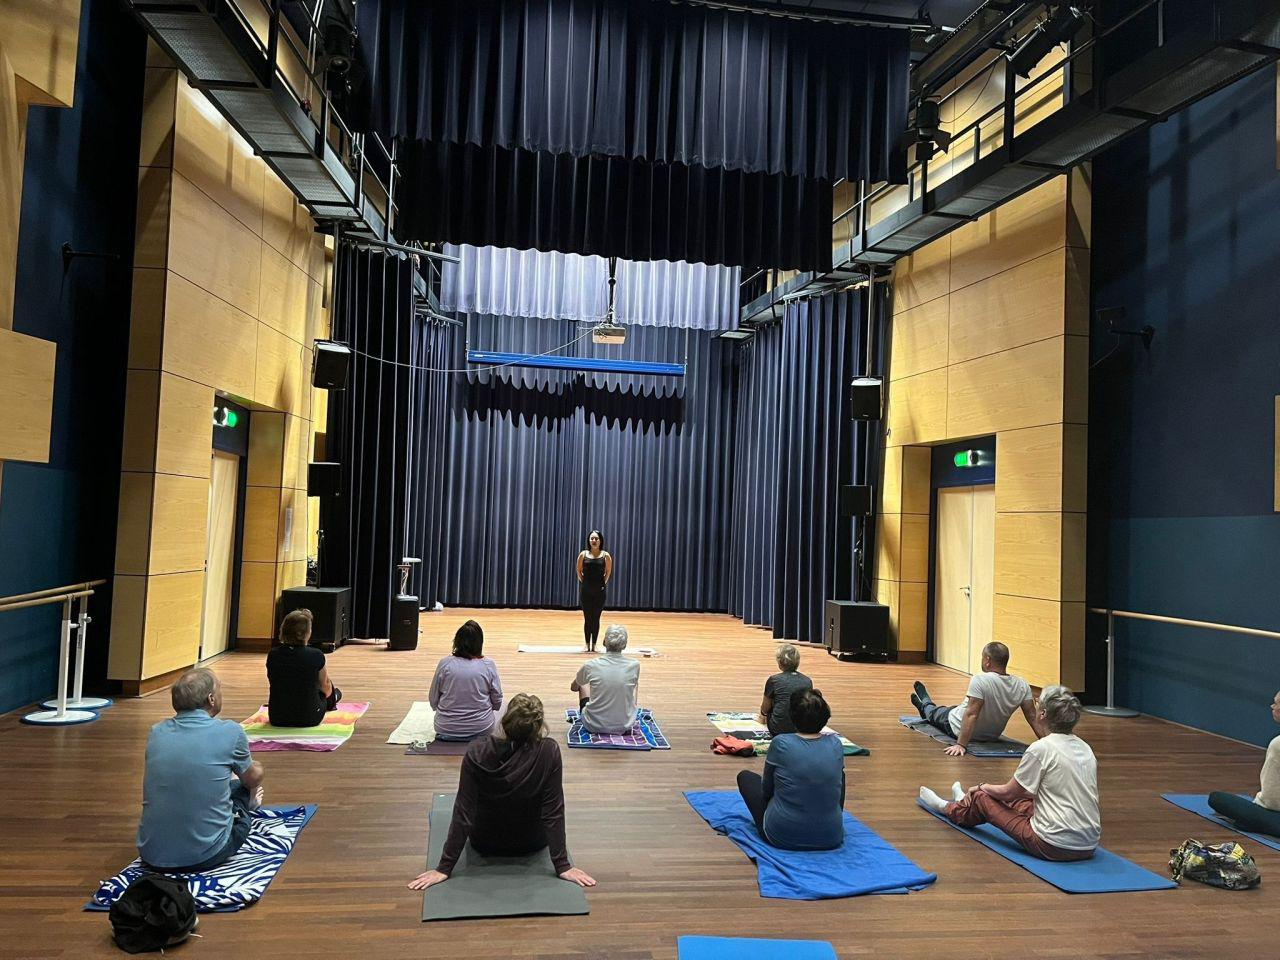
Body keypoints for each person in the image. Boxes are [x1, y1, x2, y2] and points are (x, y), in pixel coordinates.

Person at [407, 694, 596, 891]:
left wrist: (444, 867)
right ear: (538, 727)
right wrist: (562, 865)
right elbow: (553, 812)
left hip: (484, 842)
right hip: (532, 842)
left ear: (504, 723)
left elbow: (464, 811)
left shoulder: (477, 751)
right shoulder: (549, 751)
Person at [919, 684, 1099, 862]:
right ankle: (964, 802)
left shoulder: (1041, 748)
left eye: (1037, 703)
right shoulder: (1085, 748)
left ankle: (947, 808)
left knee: (982, 797)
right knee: (1021, 801)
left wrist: (980, 787)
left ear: (1043, 714)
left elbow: (1008, 792)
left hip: (1051, 846)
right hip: (1089, 845)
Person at [137, 668, 265, 872]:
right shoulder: (230, 731)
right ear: (211, 699)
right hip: (206, 854)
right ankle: (245, 809)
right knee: (240, 787)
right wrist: (257, 767)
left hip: (151, 854)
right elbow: (252, 779)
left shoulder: (156, 731)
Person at [735, 688, 845, 851]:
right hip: (831, 836)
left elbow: (766, 790)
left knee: (745, 777)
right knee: (840, 775)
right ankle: (827, 818)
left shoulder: (781, 743)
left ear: (792, 716)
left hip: (781, 835)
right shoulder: (836, 744)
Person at [910, 641, 1046, 755]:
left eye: (982, 657)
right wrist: (1049, 743)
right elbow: (1033, 717)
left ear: (987, 660)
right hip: (990, 736)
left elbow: (971, 714)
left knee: (934, 713)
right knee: (953, 708)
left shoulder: (980, 679)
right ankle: (926, 705)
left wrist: (961, 745)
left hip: (954, 725)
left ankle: (925, 703)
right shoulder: (1022, 684)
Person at [1207, 689, 1280, 836]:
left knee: (1216, 798)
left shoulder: (1277, 744)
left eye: (1276, 704)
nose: (1272, 706)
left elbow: (1272, 801)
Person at [429, 620, 503, 741]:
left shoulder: (445, 663)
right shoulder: (488, 665)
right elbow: (497, 700)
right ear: (480, 643)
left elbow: (433, 699)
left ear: (457, 641)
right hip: (482, 728)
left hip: (445, 728)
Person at [266, 609, 341, 727]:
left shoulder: (273, 654)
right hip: (309, 717)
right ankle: (335, 699)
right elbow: (325, 687)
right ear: (307, 633)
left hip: (278, 717)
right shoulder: (316, 655)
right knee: (331, 689)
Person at [570, 623, 639, 734]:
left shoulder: (590, 665)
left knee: (584, 683)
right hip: (624, 725)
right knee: (634, 683)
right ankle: (627, 711)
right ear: (625, 645)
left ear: (604, 642)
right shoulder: (634, 665)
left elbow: (574, 687)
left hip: (593, 724)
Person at [759, 643, 813, 737]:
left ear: (780, 663)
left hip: (778, 729)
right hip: (802, 728)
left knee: (774, 700)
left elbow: (765, 708)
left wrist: (762, 714)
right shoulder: (807, 681)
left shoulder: (774, 680)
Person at [575, 530, 612, 652]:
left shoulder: (605, 555)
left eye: (596, 538)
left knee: (596, 617)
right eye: (592, 538)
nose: (594, 541)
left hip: (599, 591)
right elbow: (579, 570)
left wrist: (602, 584)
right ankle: (586, 644)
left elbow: (608, 572)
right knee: (587, 618)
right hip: (586, 591)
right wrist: (584, 582)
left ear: (600, 541)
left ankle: (594, 644)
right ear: (589, 540)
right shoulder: (583, 554)